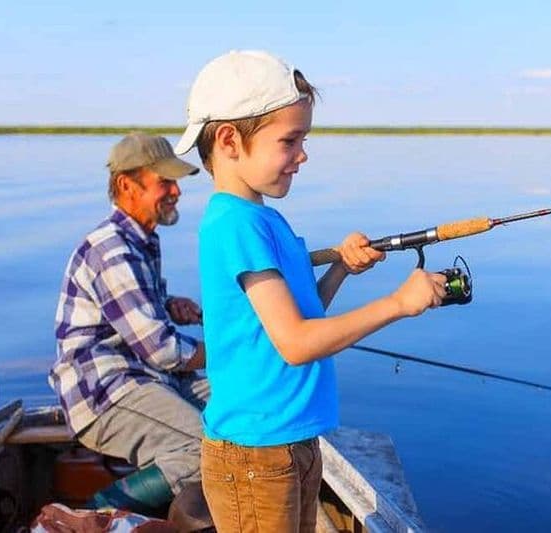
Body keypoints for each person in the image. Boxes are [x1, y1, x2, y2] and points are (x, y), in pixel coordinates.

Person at [174, 50, 447, 532]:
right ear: (229, 140)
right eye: (290, 140)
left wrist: (340, 268)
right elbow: (298, 343)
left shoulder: (263, 218)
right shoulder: (234, 225)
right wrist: (397, 304)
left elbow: (300, 317)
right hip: (255, 454)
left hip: (290, 441)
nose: (303, 155)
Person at [49, 132, 209, 517]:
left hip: (144, 374)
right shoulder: (113, 249)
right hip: (103, 392)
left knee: (243, 409)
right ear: (126, 184)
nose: (176, 191)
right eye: (164, 182)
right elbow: (163, 349)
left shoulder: (141, 241)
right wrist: (228, 350)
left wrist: (169, 305)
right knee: (210, 448)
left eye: (176, 182)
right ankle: (94, 514)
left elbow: (132, 314)